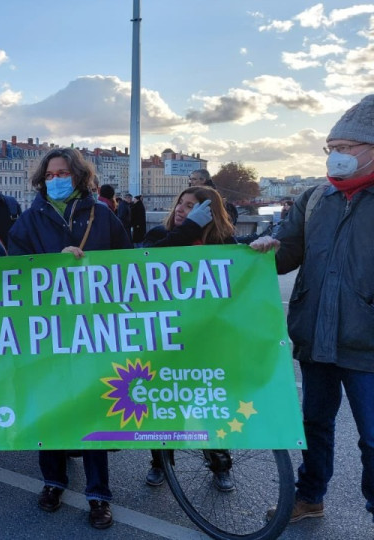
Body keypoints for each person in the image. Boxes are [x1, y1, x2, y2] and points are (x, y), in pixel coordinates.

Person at [252, 94, 374, 524]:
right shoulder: (314, 198)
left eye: (345, 148)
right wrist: (267, 251)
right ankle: (310, 497)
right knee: (314, 425)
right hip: (315, 337)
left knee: (373, 439)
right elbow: (289, 254)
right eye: (331, 148)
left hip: (367, 344)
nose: (336, 157)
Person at [8, 147, 131, 530]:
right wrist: (51, 266)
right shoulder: (28, 222)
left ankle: (98, 495)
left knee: (92, 408)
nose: (56, 179)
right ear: (42, 181)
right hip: (45, 331)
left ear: (78, 176)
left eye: (63, 172)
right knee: (50, 408)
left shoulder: (104, 217)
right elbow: (15, 275)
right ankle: (53, 481)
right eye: (50, 174)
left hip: (92, 330)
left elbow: (127, 269)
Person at [140, 186, 237, 491]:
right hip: (165, 338)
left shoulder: (223, 243)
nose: (182, 210)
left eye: (192, 206)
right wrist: (190, 228)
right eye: (181, 204)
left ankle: (220, 463)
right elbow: (148, 259)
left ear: (209, 212)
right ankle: (161, 462)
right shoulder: (160, 235)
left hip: (205, 339)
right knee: (164, 405)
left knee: (206, 405)